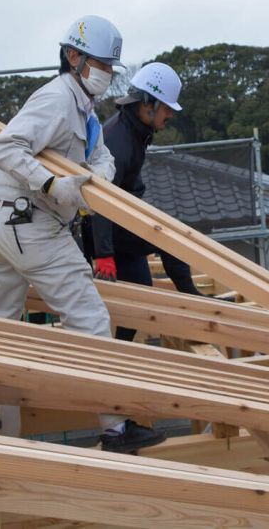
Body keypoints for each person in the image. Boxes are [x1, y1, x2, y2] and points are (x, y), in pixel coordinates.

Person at [0, 15, 166, 453]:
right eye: (99, 62)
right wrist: (49, 183)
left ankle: (1, 434)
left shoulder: (83, 108)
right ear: (73, 56)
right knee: (90, 319)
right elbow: (4, 147)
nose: (105, 72)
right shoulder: (56, 99)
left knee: (2, 328)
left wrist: (95, 172)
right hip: (31, 223)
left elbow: (103, 158)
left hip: (0, 223)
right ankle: (117, 428)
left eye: (109, 66)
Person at [86, 63, 203, 343]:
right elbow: (100, 198)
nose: (169, 116)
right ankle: (194, 300)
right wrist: (103, 253)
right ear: (147, 103)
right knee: (169, 236)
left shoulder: (135, 129)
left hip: (118, 220)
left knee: (141, 288)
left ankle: (121, 349)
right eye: (165, 108)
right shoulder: (119, 139)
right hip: (100, 226)